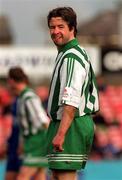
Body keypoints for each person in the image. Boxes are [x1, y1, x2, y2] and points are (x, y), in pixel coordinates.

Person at [46, 7, 99, 180]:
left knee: (64, 176)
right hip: (68, 124)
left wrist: (61, 134)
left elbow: (71, 100)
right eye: (52, 27)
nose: (55, 32)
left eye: (60, 27)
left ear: (72, 28)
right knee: (56, 175)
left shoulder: (71, 57)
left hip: (71, 125)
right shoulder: (68, 53)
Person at [7, 67, 49, 180]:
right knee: (39, 176)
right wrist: (22, 143)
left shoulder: (29, 97)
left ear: (11, 81)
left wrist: (52, 139)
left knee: (22, 176)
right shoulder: (21, 97)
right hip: (31, 142)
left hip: (37, 142)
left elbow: (43, 120)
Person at [5, 97, 22, 180]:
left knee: (24, 176)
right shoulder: (15, 101)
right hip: (13, 147)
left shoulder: (28, 99)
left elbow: (43, 122)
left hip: (26, 148)